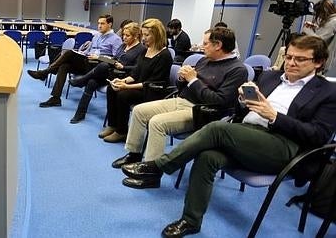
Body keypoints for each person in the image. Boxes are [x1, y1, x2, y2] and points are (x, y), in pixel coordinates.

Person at [120, 35, 336, 238]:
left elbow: (318, 136)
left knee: (217, 128)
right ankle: (191, 221)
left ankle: (157, 167)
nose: (290, 63)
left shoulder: (327, 92)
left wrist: (274, 116)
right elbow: (240, 111)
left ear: (318, 62)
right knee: (207, 156)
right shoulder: (271, 76)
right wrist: (243, 101)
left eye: (299, 59)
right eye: (288, 56)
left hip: (283, 146)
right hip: (246, 134)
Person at [111, 27, 247, 170]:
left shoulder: (237, 70)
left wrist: (193, 80)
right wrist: (182, 79)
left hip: (203, 112)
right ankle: (134, 154)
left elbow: (219, 101)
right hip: (182, 100)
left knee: (157, 122)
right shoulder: (204, 61)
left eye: (205, 43)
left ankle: (151, 170)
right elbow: (182, 88)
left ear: (218, 45)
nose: (201, 46)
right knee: (139, 111)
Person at [100, 19, 173, 143]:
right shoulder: (145, 50)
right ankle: (113, 125)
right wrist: (122, 80)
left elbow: (152, 83)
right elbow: (136, 74)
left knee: (123, 95)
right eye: (143, 34)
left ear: (157, 35)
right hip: (140, 87)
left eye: (147, 35)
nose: (143, 38)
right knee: (111, 88)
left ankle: (122, 131)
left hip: (153, 91)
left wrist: (126, 87)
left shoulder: (165, 55)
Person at [27, 15, 122, 108]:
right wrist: (80, 53)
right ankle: (55, 98)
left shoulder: (116, 39)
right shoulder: (96, 36)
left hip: (97, 67)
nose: (99, 26)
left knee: (68, 53)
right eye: (98, 23)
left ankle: (45, 73)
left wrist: (99, 57)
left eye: (102, 23)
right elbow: (87, 51)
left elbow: (115, 59)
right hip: (86, 62)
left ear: (110, 24)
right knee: (64, 66)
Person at [68, 22, 144, 124]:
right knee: (92, 82)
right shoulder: (123, 46)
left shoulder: (141, 50)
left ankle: (81, 81)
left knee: (102, 67)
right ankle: (80, 113)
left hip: (124, 76)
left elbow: (138, 68)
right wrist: (110, 60)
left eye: (127, 36)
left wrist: (124, 67)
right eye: (123, 35)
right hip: (112, 71)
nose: (124, 38)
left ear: (135, 36)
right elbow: (115, 58)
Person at [301, 0, 336, 74]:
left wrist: (307, 30)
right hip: (321, 59)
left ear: (323, 11)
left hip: (320, 60)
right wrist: (315, 27)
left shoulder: (333, 21)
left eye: (319, 13)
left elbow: (319, 41)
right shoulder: (332, 20)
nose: (319, 16)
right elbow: (327, 33)